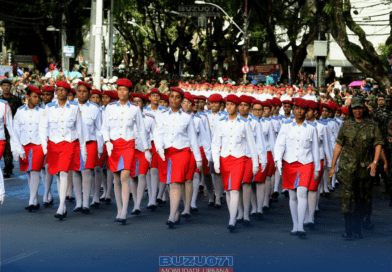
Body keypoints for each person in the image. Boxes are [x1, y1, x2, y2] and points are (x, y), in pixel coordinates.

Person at [329, 97, 383, 239]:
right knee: (347, 197)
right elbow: (339, 145)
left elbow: (378, 143)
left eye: (360, 108)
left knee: (361, 199)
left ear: (363, 109)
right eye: (355, 108)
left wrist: (375, 162)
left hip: (364, 169)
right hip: (348, 168)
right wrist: (333, 166)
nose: (357, 111)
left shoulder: (372, 125)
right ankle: (348, 229)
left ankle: (357, 227)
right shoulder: (346, 125)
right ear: (351, 110)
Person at [101, 78, 151, 225]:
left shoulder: (134, 108)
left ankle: (124, 212)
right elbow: (104, 127)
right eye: (119, 89)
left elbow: (141, 129)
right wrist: (107, 141)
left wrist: (147, 149)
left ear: (129, 92)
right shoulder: (110, 107)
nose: (121, 92)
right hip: (114, 144)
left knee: (125, 176)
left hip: (129, 144)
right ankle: (119, 208)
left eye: (125, 89)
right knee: (116, 178)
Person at [153, 87, 202, 229]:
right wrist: (159, 148)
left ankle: (171, 216)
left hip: (182, 152)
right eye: (172, 96)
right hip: (166, 152)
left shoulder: (187, 117)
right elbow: (158, 133)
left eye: (177, 97)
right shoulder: (162, 115)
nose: (174, 99)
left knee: (175, 182)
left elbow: (193, 139)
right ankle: (176, 212)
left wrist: (198, 159)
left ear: (181, 100)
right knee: (170, 184)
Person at [39, 81, 87, 220]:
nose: (60, 92)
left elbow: (80, 129)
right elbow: (43, 128)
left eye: (63, 90)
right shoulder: (49, 107)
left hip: (69, 143)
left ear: (68, 93)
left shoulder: (74, 107)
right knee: (59, 174)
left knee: (64, 172)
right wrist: (44, 146)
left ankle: (61, 205)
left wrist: (83, 148)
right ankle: (63, 206)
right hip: (53, 143)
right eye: (58, 90)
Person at [211, 94, 259, 232]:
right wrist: (216, 162)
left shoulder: (244, 123)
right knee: (228, 189)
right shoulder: (221, 123)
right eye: (227, 104)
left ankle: (232, 220)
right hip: (225, 158)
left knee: (235, 188)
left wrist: (255, 163)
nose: (229, 107)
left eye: (232, 105)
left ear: (237, 107)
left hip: (240, 158)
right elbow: (215, 144)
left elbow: (252, 145)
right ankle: (234, 214)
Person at [274, 98, 320, 238]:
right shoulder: (286, 126)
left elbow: (315, 150)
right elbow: (280, 144)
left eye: (302, 109)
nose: (299, 111)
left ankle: (301, 225)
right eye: (297, 108)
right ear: (293, 110)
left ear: (306, 111)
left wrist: (317, 168)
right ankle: (295, 224)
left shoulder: (312, 128)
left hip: (306, 163)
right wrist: (278, 161)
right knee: (293, 195)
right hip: (289, 162)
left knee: (302, 193)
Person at [13, 86, 45, 211]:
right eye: (34, 97)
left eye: (38, 97)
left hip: (38, 144)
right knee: (28, 171)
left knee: (35, 170)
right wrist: (16, 148)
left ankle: (32, 200)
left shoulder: (42, 111)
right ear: (27, 97)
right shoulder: (20, 111)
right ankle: (35, 199)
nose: (37, 99)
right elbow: (16, 131)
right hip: (24, 144)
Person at [72, 82, 103, 214]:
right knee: (76, 172)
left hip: (90, 142)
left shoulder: (95, 108)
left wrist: (100, 148)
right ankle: (78, 202)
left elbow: (99, 129)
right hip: (75, 143)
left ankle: (86, 202)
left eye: (85, 91)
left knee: (87, 172)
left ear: (89, 93)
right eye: (79, 91)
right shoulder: (71, 107)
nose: (82, 93)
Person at [130, 93, 155, 214]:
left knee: (142, 175)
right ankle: (135, 202)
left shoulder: (149, 118)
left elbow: (155, 136)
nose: (136, 103)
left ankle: (138, 204)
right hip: (130, 150)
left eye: (139, 101)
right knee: (132, 177)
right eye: (134, 101)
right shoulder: (127, 117)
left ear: (143, 104)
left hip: (144, 150)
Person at [0, 79, 23, 177]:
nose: (6, 87)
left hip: (12, 126)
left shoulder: (16, 100)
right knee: (3, 148)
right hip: (2, 126)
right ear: (1, 87)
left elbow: (21, 113)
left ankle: (8, 167)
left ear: (10, 87)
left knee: (9, 147)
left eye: (7, 85)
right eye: (4, 85)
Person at [40, 85, 56, 206]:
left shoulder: (55, 107)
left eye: (48, 94)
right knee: (42, 168)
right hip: (39, 140)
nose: (45, 96)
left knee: (48, 167)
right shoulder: (38, 107)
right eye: (44, 94)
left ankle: (46, 193)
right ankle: (48, 193)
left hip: (52, 140)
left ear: (52, 95)